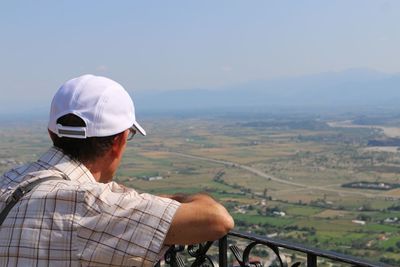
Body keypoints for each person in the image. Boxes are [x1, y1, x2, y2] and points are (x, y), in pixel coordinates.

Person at [0, 74, 234, 266]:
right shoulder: (92, 204)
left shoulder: (8, 181)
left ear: (51, 133)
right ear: (119, 141)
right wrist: (168, 200)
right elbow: (217, 219)